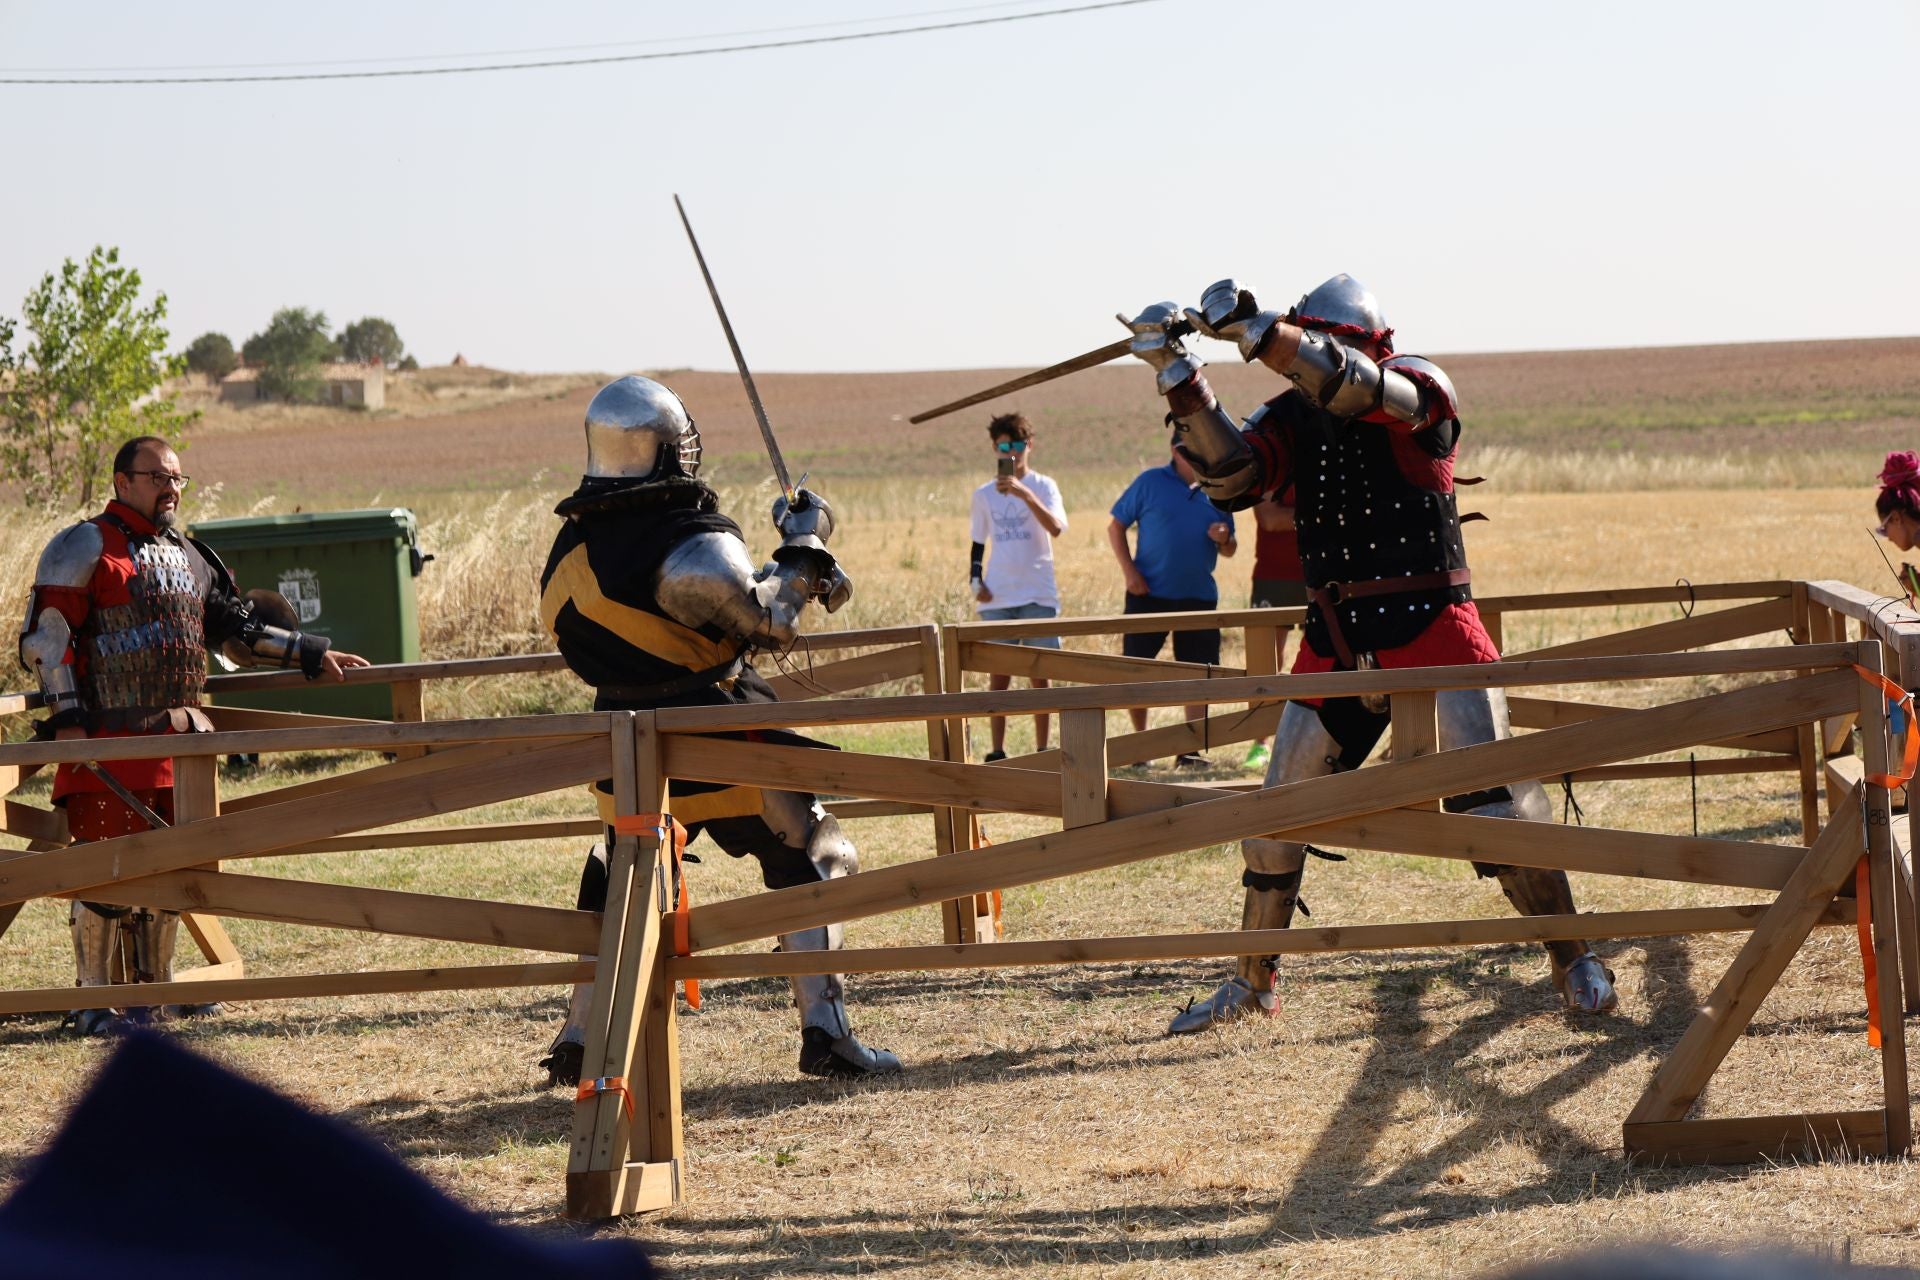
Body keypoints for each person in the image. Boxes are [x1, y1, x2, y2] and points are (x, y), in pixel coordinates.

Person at [1124, 274, 1618, 1032]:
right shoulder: (1293, 415)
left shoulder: (1419, 386)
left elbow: (1355, 388)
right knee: (1275, 811)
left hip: (1435, 627)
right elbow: (1231, 476)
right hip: (1338, 638)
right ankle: (1253, 982)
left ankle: (1573, 956)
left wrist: (1259, 336)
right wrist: (1179, 377)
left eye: (1315, 348)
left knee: (1498, 804)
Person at [537, 375, 902, 1084]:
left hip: (622, 740)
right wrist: (803, 545)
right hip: (721, 737)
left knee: (619, 874)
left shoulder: (571, 548)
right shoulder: (688, 541)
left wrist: (789, 564)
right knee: (819, 851)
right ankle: (826, 1030)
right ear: (669, 450)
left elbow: (681, 616)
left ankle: (580, 1035)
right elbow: (770, 624)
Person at [17, 435, 368, 1035]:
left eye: (177, 479)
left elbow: (237, 630)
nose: (170, 489)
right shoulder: (84, 544)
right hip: (108, 739)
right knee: (105, 869)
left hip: (181, 738)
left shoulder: (189, 554)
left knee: (174, 872)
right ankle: (93, 1001)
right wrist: (71, 726)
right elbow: (48, 641)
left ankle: (157, 992)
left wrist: (309, 652)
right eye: (157, 478)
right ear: (123, 481)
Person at [1107, 436, 1238, 766]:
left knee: (1198, 675)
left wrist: (1225, 538)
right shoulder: (1150, 482)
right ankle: (1141, 749)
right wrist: (1129, 572)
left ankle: (1189, 751)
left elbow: (1231, 547)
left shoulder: (1218, 488)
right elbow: (1115, 526)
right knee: (1137, 671)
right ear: (1175, 451)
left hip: (1198, 597)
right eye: (1189, 451)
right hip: (1147, 594)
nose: (1196, 456)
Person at [968, 412, 1069, 761]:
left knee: (1041, 672)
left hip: (1038, 591)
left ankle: (1044, 748)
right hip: (998, 594)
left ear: (1029, 445)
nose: (1010, 453)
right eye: (1002, 447)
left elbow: (1056, 527)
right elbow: (978, 542)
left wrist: (1025, 495)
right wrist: (974, 581)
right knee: (999, 674)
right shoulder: (983, 495)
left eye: (1016, 445)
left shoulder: (1044, 486)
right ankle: (998, 749)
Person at [1245, 481, 1305, 771]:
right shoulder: (1270, 464)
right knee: (1267, 659)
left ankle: (1313, 736)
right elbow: (1270, 519)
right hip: (1273, 576)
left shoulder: (1321, 457)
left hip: (1317, 571)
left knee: (1324, 657)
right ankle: (1260, 743)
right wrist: (1317, 513)